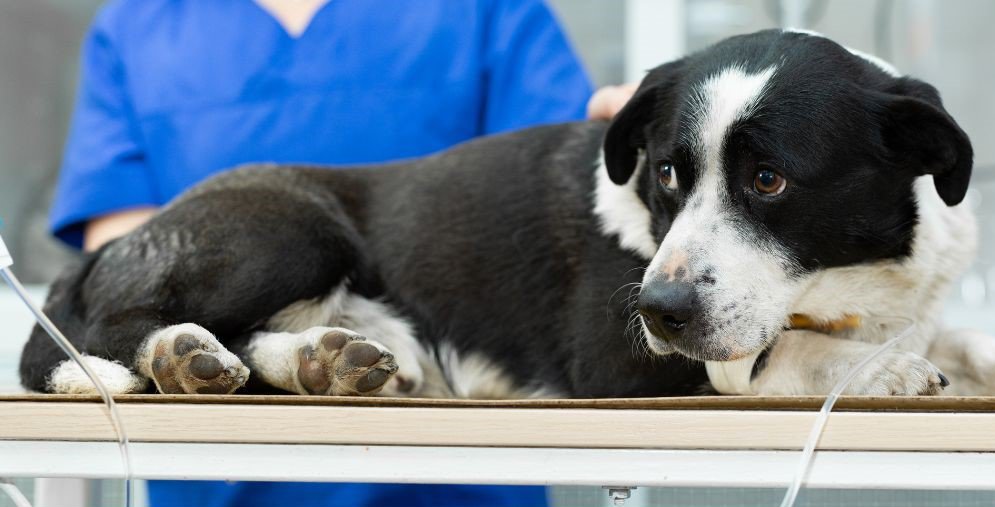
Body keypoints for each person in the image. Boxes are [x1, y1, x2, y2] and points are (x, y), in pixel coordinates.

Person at [49, 1, 631, 506]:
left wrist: (630, 138)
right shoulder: (134, 26)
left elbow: (549, 202)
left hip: (455, 470)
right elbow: (126, 265)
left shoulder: (487, 9)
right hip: (224, 472)